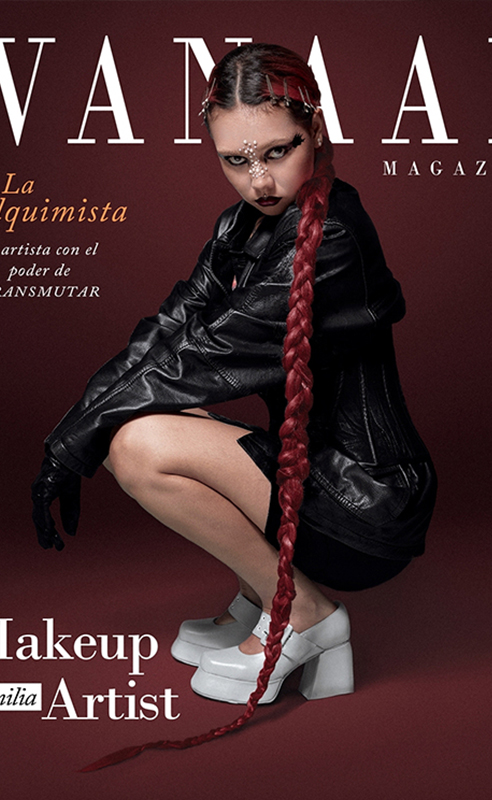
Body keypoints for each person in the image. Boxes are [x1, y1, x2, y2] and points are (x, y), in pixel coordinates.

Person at [32, 43, 436, 711]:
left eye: (277, 151)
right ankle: (258, 594)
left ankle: (301, 611)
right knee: (147, 414)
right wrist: (65, 440)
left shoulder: (334, 237)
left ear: (316, 131)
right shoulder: (241, 228)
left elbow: (199, 356)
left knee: (138, 443)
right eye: (236, 160)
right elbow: (167, 332)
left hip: (368, 498)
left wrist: (81, 441)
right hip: (312, 476)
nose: (260, 181)